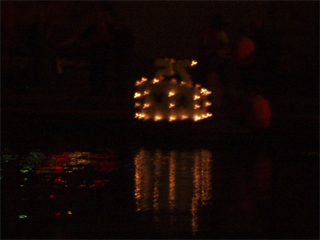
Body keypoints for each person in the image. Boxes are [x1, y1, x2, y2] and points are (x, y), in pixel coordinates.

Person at [82, 10, 115, 95]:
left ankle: (102, 88)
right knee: (94, 70)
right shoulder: (93, 27)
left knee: (103, 70)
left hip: (104, 50)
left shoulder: (109, 27)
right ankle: (94, 88)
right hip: (95, 50)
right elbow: (85, 36)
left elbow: (113, 38)